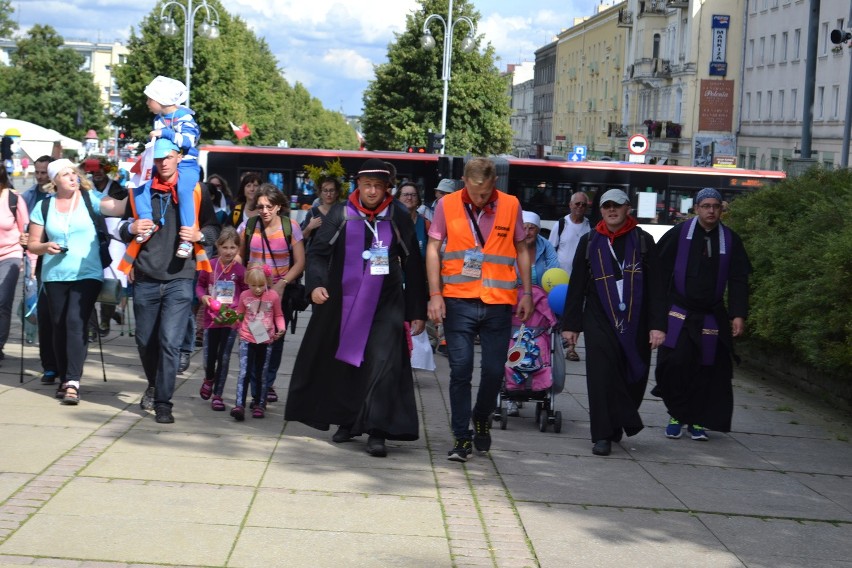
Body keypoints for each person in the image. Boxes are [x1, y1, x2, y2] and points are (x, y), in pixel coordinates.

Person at [285, 158, 427, 458]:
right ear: (358, 186)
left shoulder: (397, 215)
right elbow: (319, 254)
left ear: (387, 187)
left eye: (378, 186)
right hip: (344, 301)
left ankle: (377, 430)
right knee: (347, 363)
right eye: (367, 186)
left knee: (382, 365)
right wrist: (316, 285)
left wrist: (417, 310)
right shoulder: (341, 213)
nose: (372, 191)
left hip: (385, 304)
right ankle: (347, 421)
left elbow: (413, 263)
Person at [426, 157, 533, 463]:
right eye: (474, 193)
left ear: (493, 183)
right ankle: (461, 437)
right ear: (464, 181)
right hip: (459, 300)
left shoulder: (511, 205)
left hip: (499, 303)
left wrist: (527, 293)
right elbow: (433, 249)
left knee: (495, 371)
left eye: (485, 194)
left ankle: (482, 414)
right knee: (460, 370)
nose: (479, 199)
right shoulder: (446, 205)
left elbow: (522, 249)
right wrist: (435, 294)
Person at [117, 138, 218, 424]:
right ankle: (153, 384)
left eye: (168, 158)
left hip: (180, 277)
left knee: (169, 342)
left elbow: (213, 227)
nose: (163, 163)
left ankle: (163, 401)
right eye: (159, 159)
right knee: (145, 342)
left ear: (178, 158)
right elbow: (121, 228)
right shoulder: (141, 192)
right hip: (146, 276)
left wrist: (200, 237)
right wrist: (131, 227)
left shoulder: (196, 190)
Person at [561, 188, 666, 456]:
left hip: (636, 320)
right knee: (601, 374)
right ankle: (602, 435)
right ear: (601, 210)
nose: (611, 210)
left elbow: (657, 287)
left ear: (627, 208)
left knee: (635, 375)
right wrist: (571, 326)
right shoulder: (590, 241)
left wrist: (657, 325)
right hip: (598, 318)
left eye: (617, 206)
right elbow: (576, 287)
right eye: (606, 206)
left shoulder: (643, 240)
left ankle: (619, 420)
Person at [652, 188, 751, 441]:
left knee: (705, 368)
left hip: (710, 314)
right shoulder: (679, 234)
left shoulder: (731, 240)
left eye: (715, 206)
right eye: (705, 206)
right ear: (696, 208)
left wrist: (738, 314)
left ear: (721, 209)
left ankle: (697, 419)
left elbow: (739, 279)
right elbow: (658, 272)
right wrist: (655, 314)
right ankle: (676, 413)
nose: (710, 211)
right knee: (674, 364)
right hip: (679, 312)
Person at [27, 160, 110, 405]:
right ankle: (64, 377)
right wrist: (45, 246)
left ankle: (73, 380)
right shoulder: (43, 206)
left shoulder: (90, 199)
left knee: (75, 321)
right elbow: (32, 244)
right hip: (54, 275)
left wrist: (139, 190)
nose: (73, 177)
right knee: (58, 324)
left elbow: (116, 208)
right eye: (66, 174)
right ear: (55, 181)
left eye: (74, 173)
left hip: (88, 272)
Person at [239, 184, 305, 404]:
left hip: (279, 296)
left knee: (275, 341)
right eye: (260, 206)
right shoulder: (249, 226)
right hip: (254, 295)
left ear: (278, 206)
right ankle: (260, 387)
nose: (264, 211)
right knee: (257, 339)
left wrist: (283, 284)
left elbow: (300, 262)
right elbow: (241, 258)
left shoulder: (290, 227)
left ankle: (266, 384)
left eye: (269, 206)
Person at [133, 76, 202, 260]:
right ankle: (147, 223)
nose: (147, 103)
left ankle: (187, 238)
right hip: (160, 161)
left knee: (185, 190)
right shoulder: (159, 118)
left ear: (161, 99)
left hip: (186, 164)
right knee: (139, 181)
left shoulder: (185, 118)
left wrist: (165, 133)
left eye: (149, 99)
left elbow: (189, 141)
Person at [196, 226, 246, 411]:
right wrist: (204, 297)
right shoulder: (209, 265)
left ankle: (218, 394)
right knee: (209, 357)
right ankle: (209, 378)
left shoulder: (240, 270)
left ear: (238, 249)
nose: (228, 251)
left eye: (233, 248)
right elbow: (200, 286)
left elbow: (246, 291)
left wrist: (240, 311)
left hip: (231, 319)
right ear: (218, 247)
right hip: (211, 318)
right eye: (225, 247)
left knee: (224, 358)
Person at [230, 263, 285, 420]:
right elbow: (239, 314)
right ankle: (239, 404)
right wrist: (233, 322)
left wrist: (281, 328)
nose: (258, 289)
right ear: (247, 282)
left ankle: (260, 403)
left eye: (261, 285)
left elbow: (278, 315)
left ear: (267, 281)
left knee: (261, 373)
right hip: (247, 338)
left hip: (266, 340)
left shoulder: (273, 296)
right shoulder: (244, 296)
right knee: (244, 372)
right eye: (253, 285)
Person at [22, 156, 59, 384]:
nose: (39, 176)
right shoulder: (29, 196)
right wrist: (23, 236)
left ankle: (64, 363)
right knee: (44, 315)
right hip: (40, 262)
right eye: (37, 172)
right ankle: (49, 366)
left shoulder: (67, 196)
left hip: (66, 264)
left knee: (63, 319)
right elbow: (23, 225)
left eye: (44, 172)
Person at [84, 158, 129, 337]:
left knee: (111, 283)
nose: (98, 173)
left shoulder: (119, 190)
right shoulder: (86, 190)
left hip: (115, 242)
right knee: (89, 284)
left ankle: (105, 320)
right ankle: (91, 326)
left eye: (101, 169)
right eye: (94, 170)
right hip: (91, 240)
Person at [549, 191, 591, 361]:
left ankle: (571, 348)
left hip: (580, 279)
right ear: (570, 205)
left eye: (583, 204)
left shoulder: (590, 227)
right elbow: (551, 250)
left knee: (576, 312)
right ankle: (552, 343)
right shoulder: (561, 224)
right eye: (577, 204)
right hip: (560, 278)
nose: (580, 207)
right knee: (556, 312)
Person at [0, 167, 36, 361]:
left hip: (9, 254)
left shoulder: (14, 199)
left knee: (2, 300)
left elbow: (27, 233)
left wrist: (31, 262)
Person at [300, 175, 341, 248]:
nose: (328, 194)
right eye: (325, 191)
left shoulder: (343, 213)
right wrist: (309, 227)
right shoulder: (313, 212)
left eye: (332, 190)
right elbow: (301, 238)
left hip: (337, 256)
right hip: (316, 256)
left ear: (337, 193)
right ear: (320, 193)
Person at [397, 181, 430, 257]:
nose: (409, 198)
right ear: (397, 199)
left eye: (413, 195)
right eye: (405, 195)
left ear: (418, 199)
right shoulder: (391, 223)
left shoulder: (426, 224)